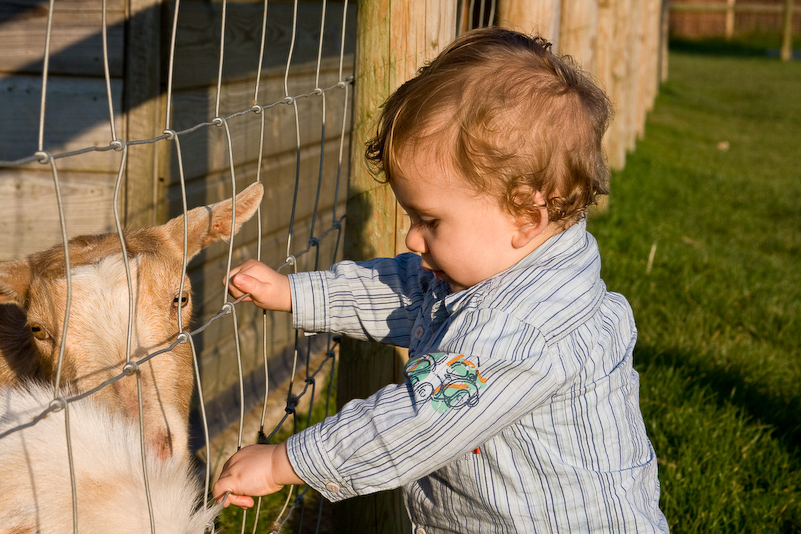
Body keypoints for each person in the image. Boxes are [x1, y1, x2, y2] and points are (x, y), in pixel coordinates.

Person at [212, 26, 669, 533]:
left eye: (430, 221)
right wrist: (298, 292)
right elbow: (404, 292)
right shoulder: (495, 270)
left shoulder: (517, 327)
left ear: (526, 217)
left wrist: (286, 462)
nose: (412, 238)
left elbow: (418, 418)